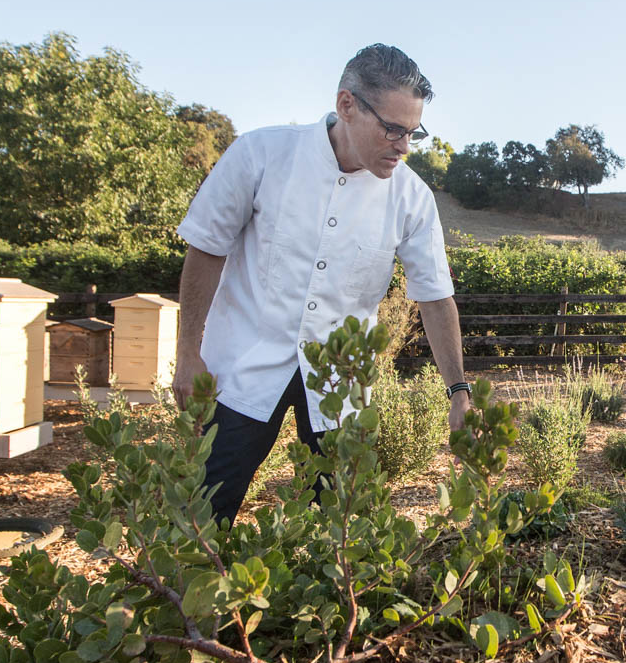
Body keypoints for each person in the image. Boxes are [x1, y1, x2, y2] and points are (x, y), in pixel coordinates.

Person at [172, 44, 469, 524]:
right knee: (200, 516)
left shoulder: (412, 198)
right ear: (346, 105)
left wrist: (458, 389)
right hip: (240, 367)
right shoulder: (261, 153)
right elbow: (206, 248)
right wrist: (189, 352)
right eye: (392, 129)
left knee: (340, 531)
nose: (404, 146)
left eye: (413, 132)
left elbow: (435, 298)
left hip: (340, 383)